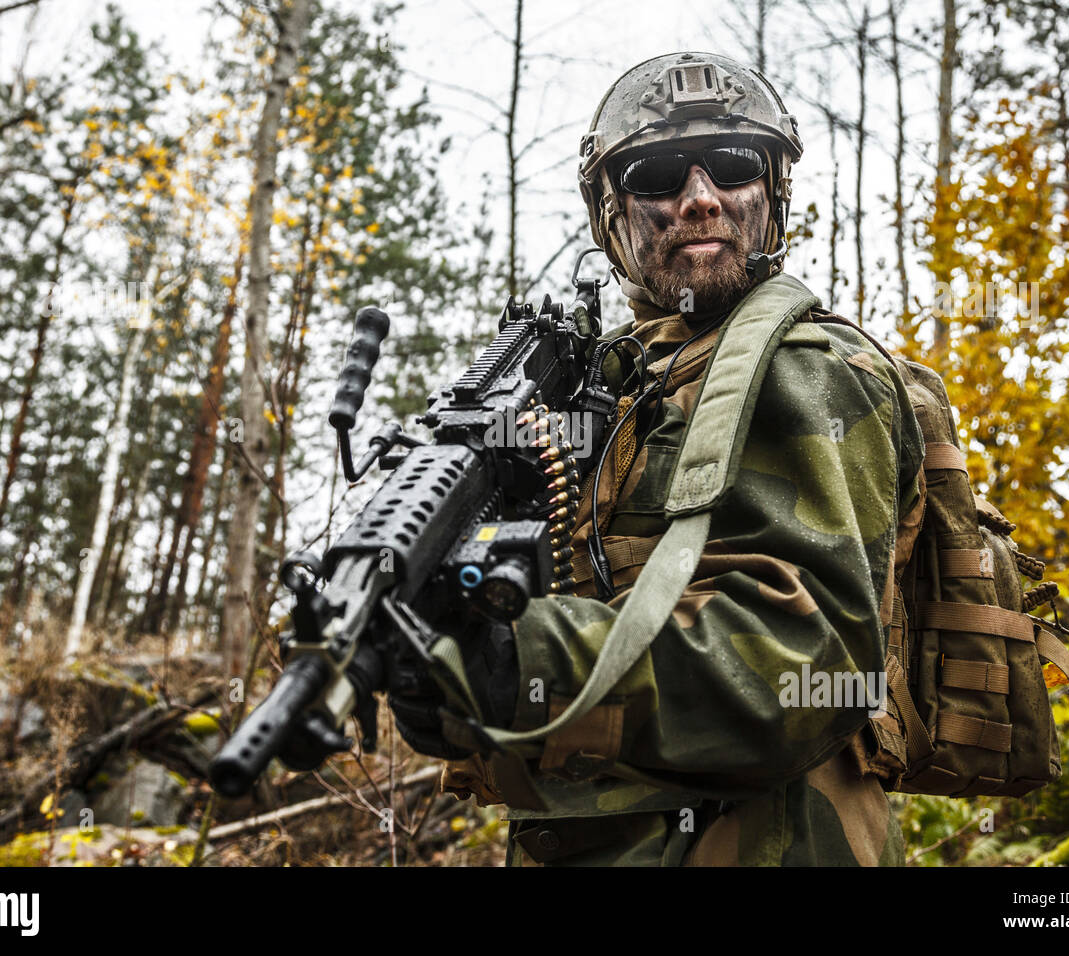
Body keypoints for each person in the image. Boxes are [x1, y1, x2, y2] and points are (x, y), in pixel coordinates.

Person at [389, 52, 927, 866]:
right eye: (657, 174)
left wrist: (519, 658)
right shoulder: (605, 385)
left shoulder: (809, 365)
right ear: (612, 212)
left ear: (771, 193)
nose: (700, 197)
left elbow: (805, 661)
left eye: (736, 166)